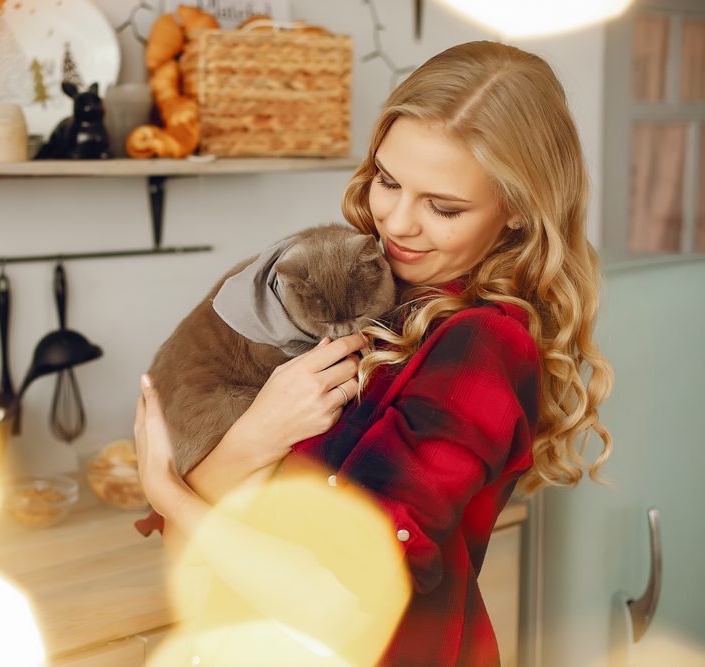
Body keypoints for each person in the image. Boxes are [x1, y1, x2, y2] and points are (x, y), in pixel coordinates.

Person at [133, 40, 613, 666]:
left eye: (444, 207)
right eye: (388, 180)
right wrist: (256, 433)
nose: (397, 223)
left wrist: (168, 490)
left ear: (518, 213)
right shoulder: (376, 295)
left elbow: (334, 601)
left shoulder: (481, 348)